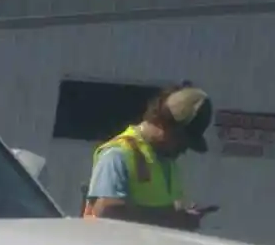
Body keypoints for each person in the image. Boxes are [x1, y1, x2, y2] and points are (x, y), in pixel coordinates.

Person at [81, 85, 214, 231]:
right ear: (164, 125)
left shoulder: (166, 162)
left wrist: (183, 214)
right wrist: (174, 219)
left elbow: (163, 207)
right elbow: (106, 211)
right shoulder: (117, 154)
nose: (184, 150)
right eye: (183, 141)